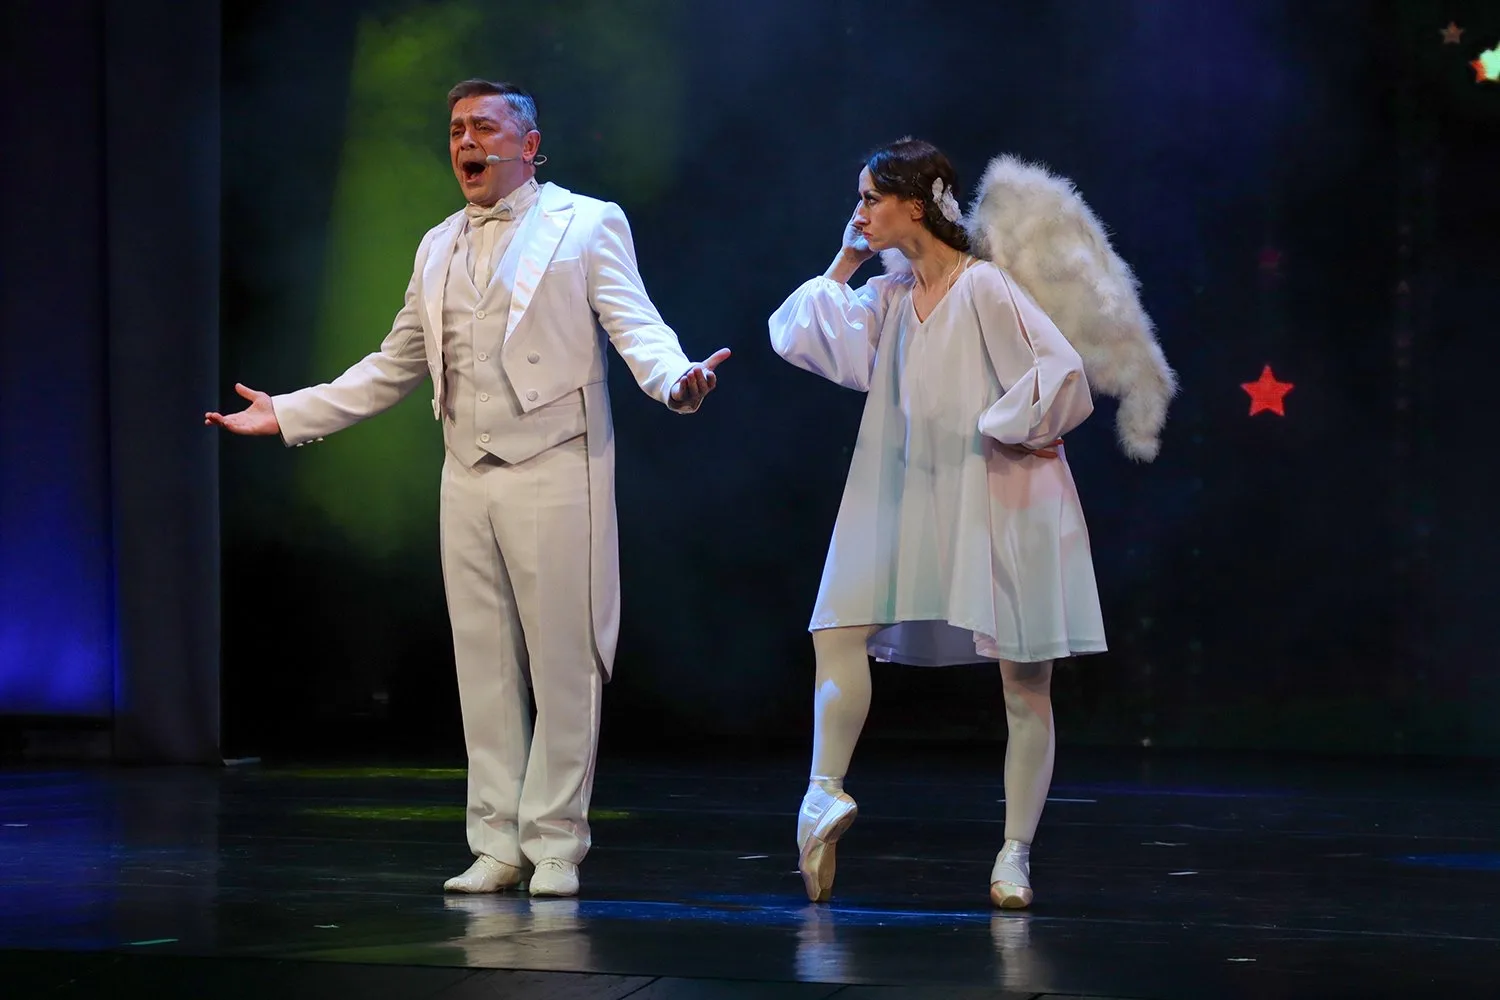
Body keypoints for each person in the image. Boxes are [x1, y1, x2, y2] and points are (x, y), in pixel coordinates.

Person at [208, 79, 729, 898]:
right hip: (467, 472)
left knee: (564, 661)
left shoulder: (586, 223)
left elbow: (637, 325)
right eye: (456, 130)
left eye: (484, 126)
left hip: (556, 464)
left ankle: (555, 845)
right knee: (482, 665)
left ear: (530, 144)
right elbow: (395, 362)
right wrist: (291, 412)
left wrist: (676, 380)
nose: (466, 143)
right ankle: (496, 842)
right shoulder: (437, 245)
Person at [768, 138, 1105, 909]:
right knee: (837, 626)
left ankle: (1015, 852)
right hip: (907, 493)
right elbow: (800, 333)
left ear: (915, 204)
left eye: (869, 199)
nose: (858, 213)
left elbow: (1060, 372)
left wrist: (1002, 424)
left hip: (1000, 494)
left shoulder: (982, 285)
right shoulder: (889, 297)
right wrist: (847, 259)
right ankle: (821, 794)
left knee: (1024, 679)